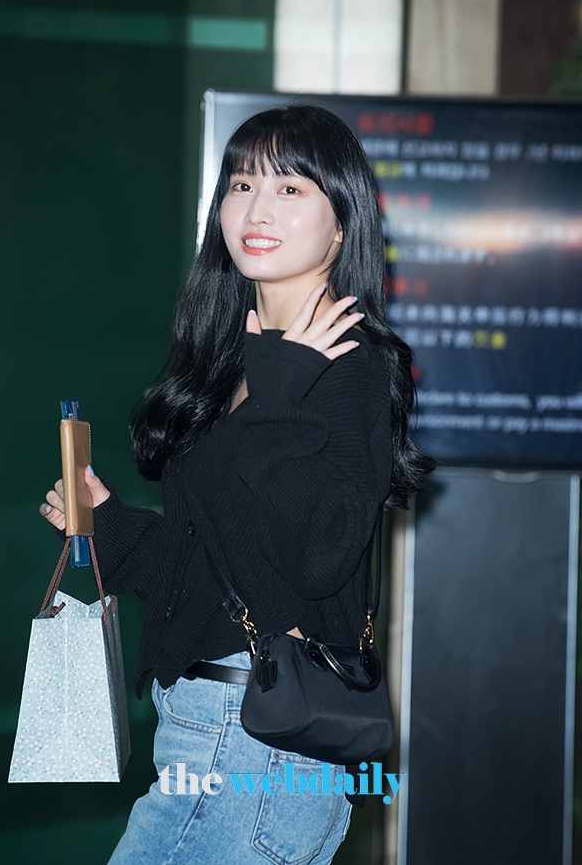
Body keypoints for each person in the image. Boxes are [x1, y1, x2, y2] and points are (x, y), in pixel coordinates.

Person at [41, 104, 435, 864]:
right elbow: (230, 560)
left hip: (253, 742)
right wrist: (112, 523)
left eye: (290, 189)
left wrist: (281, 396)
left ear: (342, 223)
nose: (257, 210)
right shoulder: (238, 361)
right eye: (242, 184)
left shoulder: (350, 366)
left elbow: (319, 557)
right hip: (209, 730)